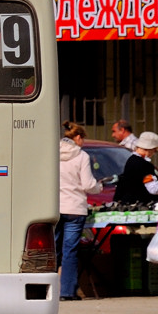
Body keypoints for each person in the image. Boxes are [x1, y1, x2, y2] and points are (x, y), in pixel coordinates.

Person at [58, 122, 101, 301]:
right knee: (70, 251)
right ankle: (67, 291)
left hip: (55, 208)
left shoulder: (52, 153)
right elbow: (88, 184)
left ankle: (45, 289)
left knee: (52, 250)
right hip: (75, 209)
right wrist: (99, 187)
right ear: (77, 138)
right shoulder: (82, 156)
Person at [112, 131, 158, 207]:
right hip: (140, 207)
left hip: (127, 205)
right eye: (155, 151)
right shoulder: (145, 165)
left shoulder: (131, 160)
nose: (153, 154)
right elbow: (153, 189)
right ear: (150, 149)